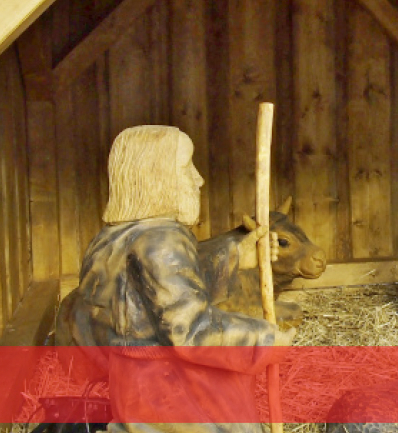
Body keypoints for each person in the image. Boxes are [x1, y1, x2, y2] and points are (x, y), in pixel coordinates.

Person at [66, 125, 294, 433]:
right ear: (156, 175)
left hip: (131, 381)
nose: (198, 178)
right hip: (170, 388)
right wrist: (263, 339)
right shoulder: (163, 239)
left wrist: (235, 256)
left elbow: (157, 293)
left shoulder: (112, 237)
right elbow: (190, 331)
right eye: (187, 167)